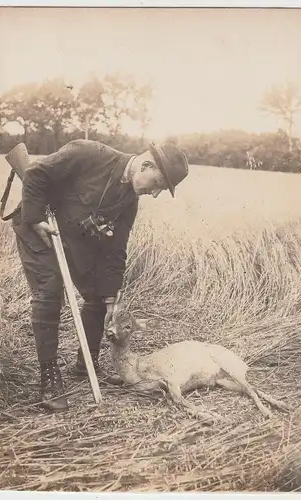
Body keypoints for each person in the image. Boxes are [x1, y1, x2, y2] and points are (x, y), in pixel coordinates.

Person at [10, 139, 189, 412]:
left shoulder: (129, 201)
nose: (154, 194)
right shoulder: (88, 153)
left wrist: (110, 297)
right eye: (157, 185)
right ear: (146, 165)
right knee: (50, 290)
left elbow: (116, 250)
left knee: (96, 294)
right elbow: (35, 173)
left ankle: (87, 364)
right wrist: (35, 219)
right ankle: (49, 376)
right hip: (38, 228)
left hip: (73, 238)